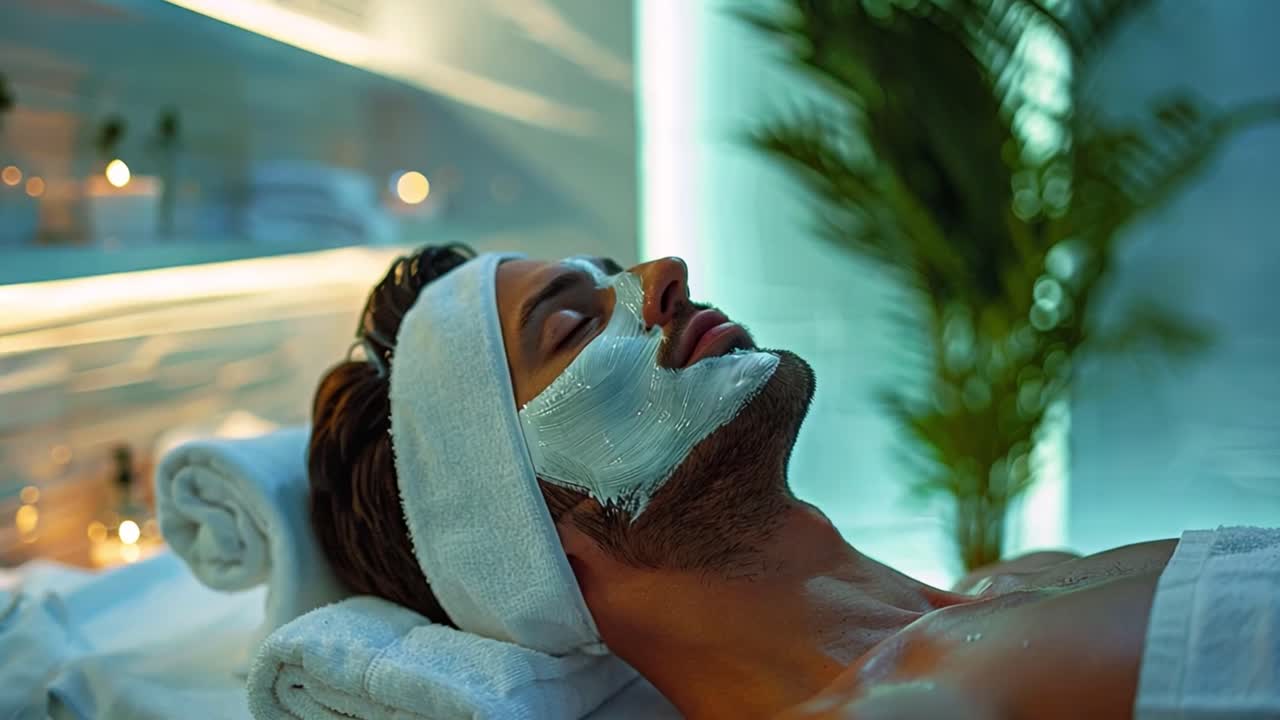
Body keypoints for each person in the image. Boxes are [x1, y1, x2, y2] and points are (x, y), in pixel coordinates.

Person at [307, 244, 1180, 719]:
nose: (661, 276)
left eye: (616, 273)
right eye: (572, 325)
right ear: (531, 545)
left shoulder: (1023, 581)